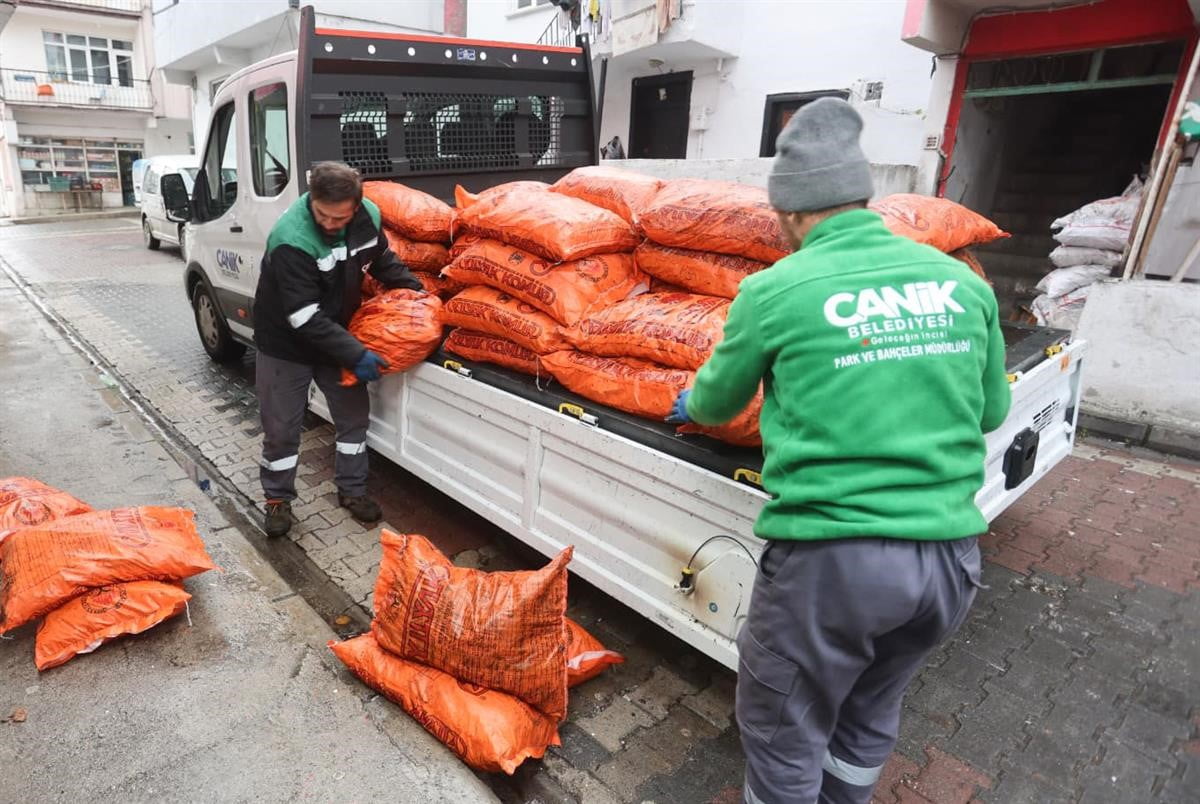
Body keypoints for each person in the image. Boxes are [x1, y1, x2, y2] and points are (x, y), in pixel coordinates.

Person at [666, 99, 1011, 803]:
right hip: (949, 562)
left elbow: (718, 402)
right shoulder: (961, 285)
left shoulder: (773, 290)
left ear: (790, 213)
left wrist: (691, 406)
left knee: (782, 729)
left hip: (835, 567)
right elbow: (994, 410)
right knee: (867, 711)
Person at [252, 161, 423, 538]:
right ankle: (278, 499)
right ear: (311, 201)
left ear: (357, 207)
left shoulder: (369, 217)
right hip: (285, 343)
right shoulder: (291, 238)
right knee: (282, 428)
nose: (330, 224)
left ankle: (352, 491)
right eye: (323, 215)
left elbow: (380, 260)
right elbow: (303, 317)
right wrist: (356, 354)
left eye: (340, 218)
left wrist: (416, 293)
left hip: (335, 335)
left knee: (353, 420)